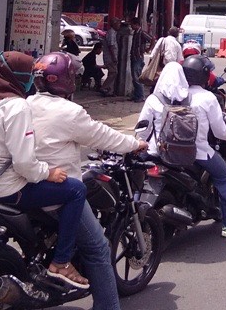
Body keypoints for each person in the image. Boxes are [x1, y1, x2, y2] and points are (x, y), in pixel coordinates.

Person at [0, 50, 90, 289]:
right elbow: (24, 164)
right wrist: (48, 173)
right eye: (29, 74)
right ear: (16, 76)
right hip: (8, 189)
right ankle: (61, 261)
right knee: (76, 190)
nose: (32, 80)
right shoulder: (17, 107)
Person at [29, 53, 148, 310]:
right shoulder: (70, 112)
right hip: (57, 192)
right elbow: (101, 136)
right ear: (68, 80)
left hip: (27, 185)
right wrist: (134, 144)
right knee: (99, 249)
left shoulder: (25, 104)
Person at [184, 55, 226, 237]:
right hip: (198, 151)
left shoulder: (176, 93)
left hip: (168, 150)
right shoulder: (207, 98)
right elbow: (220, 132)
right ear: (204, 76)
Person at [128, 18, 153, 103]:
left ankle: (141, 96)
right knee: (134, 77)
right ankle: (136, 95)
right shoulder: (135, 33)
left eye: (132, 24)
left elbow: (152, 39)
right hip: (134, 57)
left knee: (137, 77)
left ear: (136, 24)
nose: (131, 26)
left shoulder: (142, 33)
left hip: (138, 57)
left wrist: (148, 49)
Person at [99, 18, 121, 96]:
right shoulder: (111, 33)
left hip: (111, 56)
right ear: (114, 24)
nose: (119, 26)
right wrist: (114, 57)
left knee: (111, 73)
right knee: (113, 72)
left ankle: (109, 91)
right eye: (118, 24)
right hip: (110, 57)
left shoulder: (114, 32)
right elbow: (111, 46)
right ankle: (104, 87)